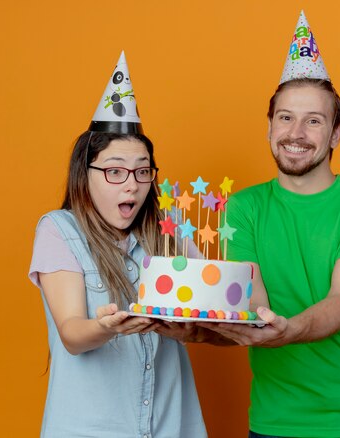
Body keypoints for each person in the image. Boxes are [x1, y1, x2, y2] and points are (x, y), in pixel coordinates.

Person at [199, 12, 340, 438]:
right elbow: (253, 304)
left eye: (314, 120)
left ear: (336, 134)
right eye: (285, 117)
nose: (296, 132)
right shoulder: (243, 207)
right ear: (270, 125)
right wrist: (194, 328)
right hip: (276, 424)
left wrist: (288, 330)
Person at [28, 52, 206, 437]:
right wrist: (109, 326)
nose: (131, 184)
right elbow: (73, 334)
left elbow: (215, 297)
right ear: (85, 172)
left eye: (143, 170)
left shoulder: (168, 231)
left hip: (171, 426)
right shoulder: (60, 230)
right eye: (114, 171)